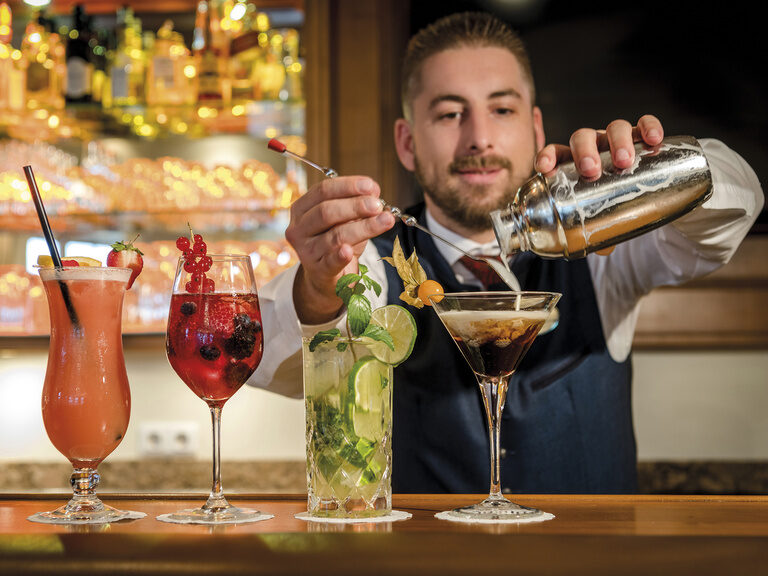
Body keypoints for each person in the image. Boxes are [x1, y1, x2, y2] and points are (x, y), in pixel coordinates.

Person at [249, 12, 763, 494]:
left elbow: (739, 203)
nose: (479, 138)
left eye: (501, 109)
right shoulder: (375, 260)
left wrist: (645, 176)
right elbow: (274, 355)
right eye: (450, 113)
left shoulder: (604, 253)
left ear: (536, 129)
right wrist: (318, 289)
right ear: (407, 143)